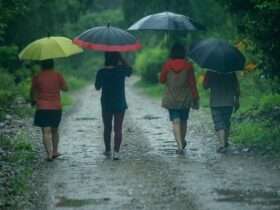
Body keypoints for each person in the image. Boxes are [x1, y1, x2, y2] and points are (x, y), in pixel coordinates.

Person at [160, 43, 199, 154]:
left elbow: (162, 80)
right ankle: (182, 140)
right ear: (183, 53)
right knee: (183, 120)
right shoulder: (188, 65)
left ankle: (180, 146)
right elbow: (192, 83)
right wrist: (195, 97)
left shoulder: (167, 65)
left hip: (171, 97)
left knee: (175, 121)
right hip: (185, 97)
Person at [95, 52, 132, 160]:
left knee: (107, 127)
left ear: (105, 58)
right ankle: (116, 152)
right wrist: (122, 58)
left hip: (106, 103)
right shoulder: (121, 70)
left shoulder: (102, 72)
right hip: (120, 102)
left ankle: (107, 150)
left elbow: (97, 87)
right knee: (118, 128)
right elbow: (130, 71)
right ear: (117, 59)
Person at [30, 59, 68, 161]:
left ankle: (49, 154)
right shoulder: (57, 75)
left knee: (46, 131)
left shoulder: (37, 76)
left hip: (42, 107)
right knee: (55, 130)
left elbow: (33, 92)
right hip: (56, 107)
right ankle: (55, 151)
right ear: (52, 65)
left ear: (42, 65)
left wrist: (33, 100)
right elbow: (65, 88)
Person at [203, 71, 240, 153]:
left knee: (218, 123)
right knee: (226, 122)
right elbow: (236, 86)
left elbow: (205, 86)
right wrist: (237, 99)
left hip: (216, 102)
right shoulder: (230, 71)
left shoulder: (210, 71)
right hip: (228, 102)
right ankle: (225, 142)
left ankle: (222, 145)